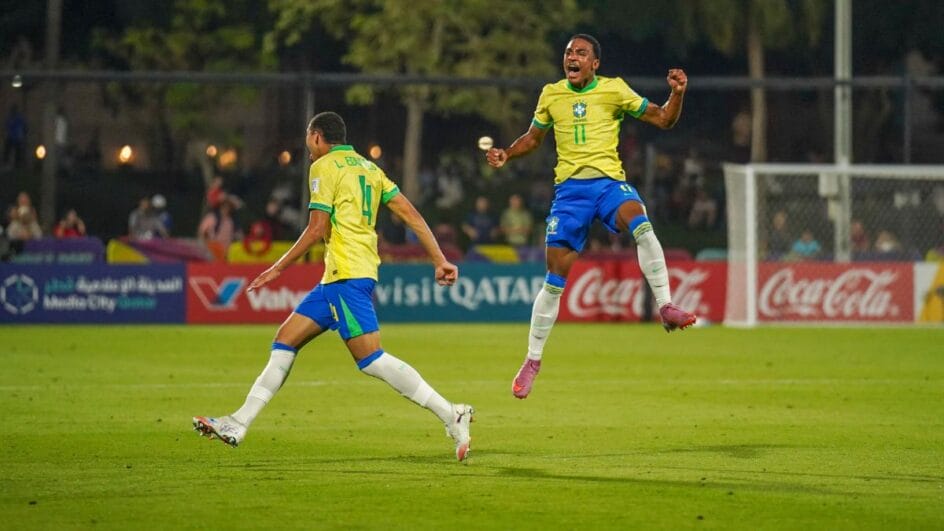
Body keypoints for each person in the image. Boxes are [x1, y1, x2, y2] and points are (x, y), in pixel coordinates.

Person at [193, 112, 474, 461]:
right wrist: (439, 259)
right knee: (285, 340)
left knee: (371, 359)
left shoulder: (323, 166)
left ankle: (451, 413)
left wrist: (278, 268)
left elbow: (316, 229)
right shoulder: (370, 168)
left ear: (316, 136)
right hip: (339, 277)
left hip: (347, 274)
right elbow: (411, 215)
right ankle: (238, 423)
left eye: (308, 138)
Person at [485, 33, 696, 399]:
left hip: (609, 185)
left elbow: (663, 119)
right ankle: (532, 360)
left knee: (642, 224)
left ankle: (665, 306)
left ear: (595, 63)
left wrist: (676, 94)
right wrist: (507, 154)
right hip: (570, 194)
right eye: (569, 51)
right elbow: (533, 138)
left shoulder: (614, 89)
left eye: (581, 53)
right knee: (554, 279)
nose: (572, 56)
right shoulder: (552, 94)